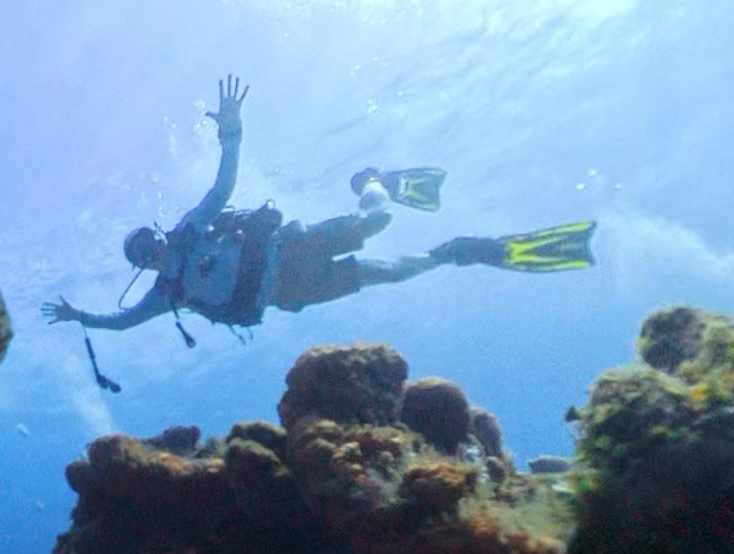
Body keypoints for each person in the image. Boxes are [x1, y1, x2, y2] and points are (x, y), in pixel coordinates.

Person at [43, 75, 596, 368]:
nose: (152, 251)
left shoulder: (193, 226)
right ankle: (452, 252)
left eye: (149, 240)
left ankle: (375, 179)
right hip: (293, 291)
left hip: (296, 248)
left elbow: (224, 185)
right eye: (142, 253)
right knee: (388, 273)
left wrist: (231, 129)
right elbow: (121, 325)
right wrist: (78, 316)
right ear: (144, 264)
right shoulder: (167, 292)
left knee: (376, 221)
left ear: (159, 233)